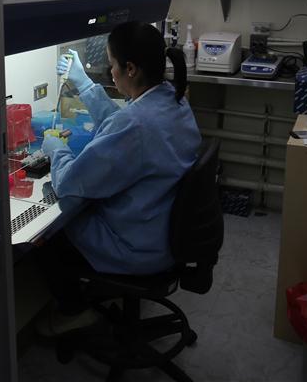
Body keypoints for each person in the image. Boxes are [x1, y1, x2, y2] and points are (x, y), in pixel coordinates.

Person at [35, 21, 201, 336]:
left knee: (47, 231)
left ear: (131, 69)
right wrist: (84, 84)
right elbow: (121, 121)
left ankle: (76, 311)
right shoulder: (172, 98)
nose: (109, 72)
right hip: (165, 231)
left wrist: (55, 146)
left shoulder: (136, 125)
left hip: (138, 247)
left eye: (112, 65)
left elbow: (70, 181)